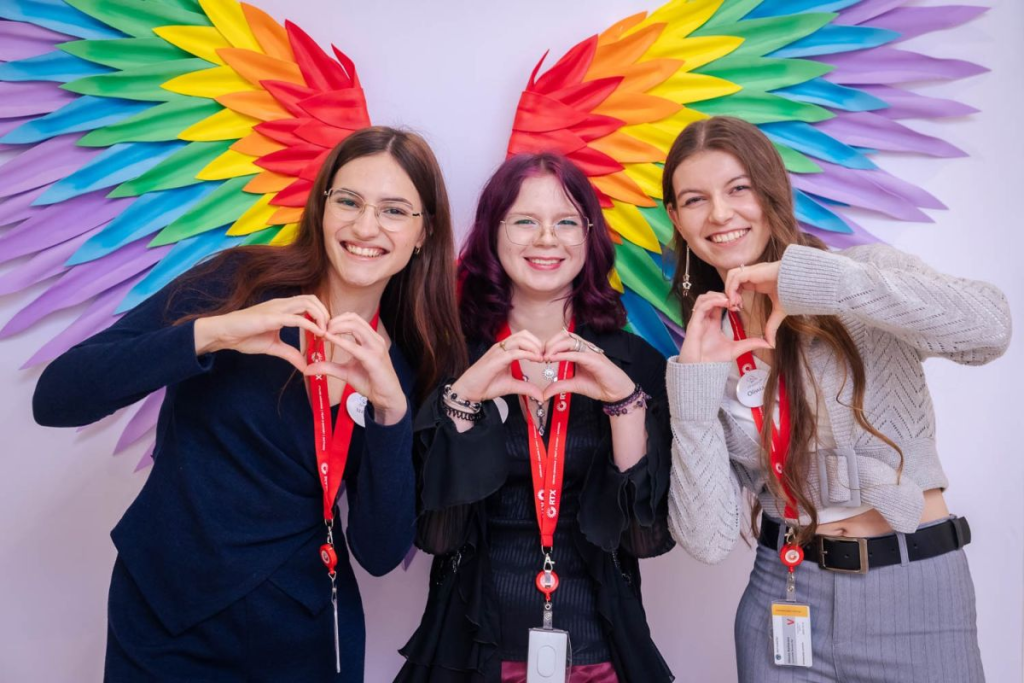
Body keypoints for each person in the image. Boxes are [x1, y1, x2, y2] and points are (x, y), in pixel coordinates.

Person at [32, 126, 466, 682]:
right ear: (322, 206)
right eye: (349, 201)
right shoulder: (239, 282)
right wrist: (212, 333)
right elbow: (58, 397)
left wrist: (391, 413)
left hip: (305, 632)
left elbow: (380, 553)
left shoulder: (414, 359)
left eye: (394, 210)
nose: (365, 227)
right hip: (166, 614)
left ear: (424, 231)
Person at [663, 116, 1011, 682]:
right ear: (677, 219)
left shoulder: (859, 274)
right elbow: (707, 541)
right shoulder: (707, 345)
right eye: (695, 199)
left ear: (771, 189)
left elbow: (990, 330)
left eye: (738, 188)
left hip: (915, 592)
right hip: (783, 594)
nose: (720, 214)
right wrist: (694, 393)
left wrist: (818, 282)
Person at [397, 152, 674, 683]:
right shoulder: (448, 358)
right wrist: (462, 400)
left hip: (601, 652)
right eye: (524, 220)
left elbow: (643, 541)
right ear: (492, 233)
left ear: (589, 237)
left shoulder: (636, 364)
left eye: (566, 222)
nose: (547, 239)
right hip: (470, 651)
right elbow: (437, 536)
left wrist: (624, 407)